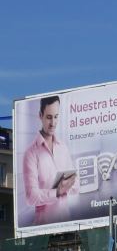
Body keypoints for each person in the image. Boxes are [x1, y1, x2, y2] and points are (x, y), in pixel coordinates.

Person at [21, 95, 77, 228]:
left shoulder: (63, 147)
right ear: (40, 115)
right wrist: (57, 191)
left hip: (67, 224)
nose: (53, 123)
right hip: (44, 229)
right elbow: (31, 196)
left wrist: (69, 185)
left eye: (56, 117)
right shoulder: (31, 153)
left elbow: (76, 186)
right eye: (49, 117)